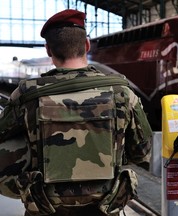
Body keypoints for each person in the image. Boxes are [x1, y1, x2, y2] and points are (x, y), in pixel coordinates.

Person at [0, 9, 152, 216]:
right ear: (87, 45)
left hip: (45, 207)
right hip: (105, 207)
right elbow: (143, 153)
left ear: (48, 49)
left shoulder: (27, 96)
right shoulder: (122, 93)